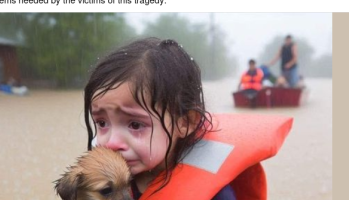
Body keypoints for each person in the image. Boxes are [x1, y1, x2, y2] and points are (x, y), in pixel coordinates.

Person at [83, 38, 291, 200]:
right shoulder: (105, 185)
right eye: (102, 123)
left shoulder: (215, 194)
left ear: (185, 122)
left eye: (135, 124)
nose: (110, 142)